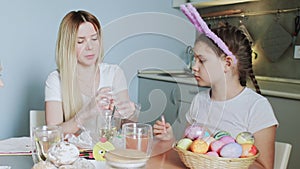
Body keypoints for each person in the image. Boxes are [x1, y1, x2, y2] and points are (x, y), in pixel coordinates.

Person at [154, 24, 278, 169]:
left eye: (202, 60)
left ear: (227, 63)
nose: (194, 67)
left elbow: (264, 167)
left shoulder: (257, 107)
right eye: (195, 59)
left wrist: (225, 160)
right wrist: (170, 140)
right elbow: (190, 152)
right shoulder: (199, 100)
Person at [45, 10, 135, 137]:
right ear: (67, 45)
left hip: (107, 152)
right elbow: (51, 133)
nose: (90, 47)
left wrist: (131, 113)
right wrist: (86, 112)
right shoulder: (56, 80)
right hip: (73, 153)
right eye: (81, 41)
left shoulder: (114, 73)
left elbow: (127, 128)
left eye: (94, 39)